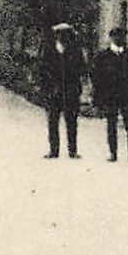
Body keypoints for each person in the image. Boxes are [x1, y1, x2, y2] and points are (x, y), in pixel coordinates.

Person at [90, 26, 128, 162]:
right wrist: (97, 99)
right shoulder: (102, 56)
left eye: (122, 36)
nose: (119, 39)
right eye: (116, 36)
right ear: (111, 38)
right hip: (110, 95)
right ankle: (113, 152)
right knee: (111, 125)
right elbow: (96, 78)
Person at [38, 22, 86, 159]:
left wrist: (75, 82)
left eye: (66, 34)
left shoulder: (75, 50)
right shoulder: (48, 50)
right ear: (56, 35)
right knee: (53, 121)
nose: (62, 36)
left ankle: (73, 150)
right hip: (53, 91)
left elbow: (82, 68)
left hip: (71, 90)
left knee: (71, 122)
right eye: (60, 34)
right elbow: (42, 68)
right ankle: (54, 150)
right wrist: (47, 86)